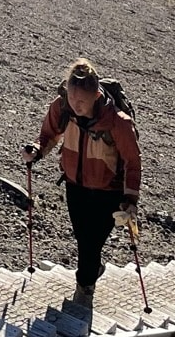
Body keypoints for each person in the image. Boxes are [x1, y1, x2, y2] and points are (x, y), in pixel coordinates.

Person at [23, 59, 141, 310]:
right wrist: (37, 150)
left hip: (109, 191)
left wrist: (130, 199)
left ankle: (84, 290)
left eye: (82, 101)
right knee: (82, 237)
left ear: (96, 95)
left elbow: (133, 161)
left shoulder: (118, 122)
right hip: (75, 185)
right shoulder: (62, 106)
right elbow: (49, 134)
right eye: (72, 98)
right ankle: (93, 269)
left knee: (91, 242)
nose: (76, 106)